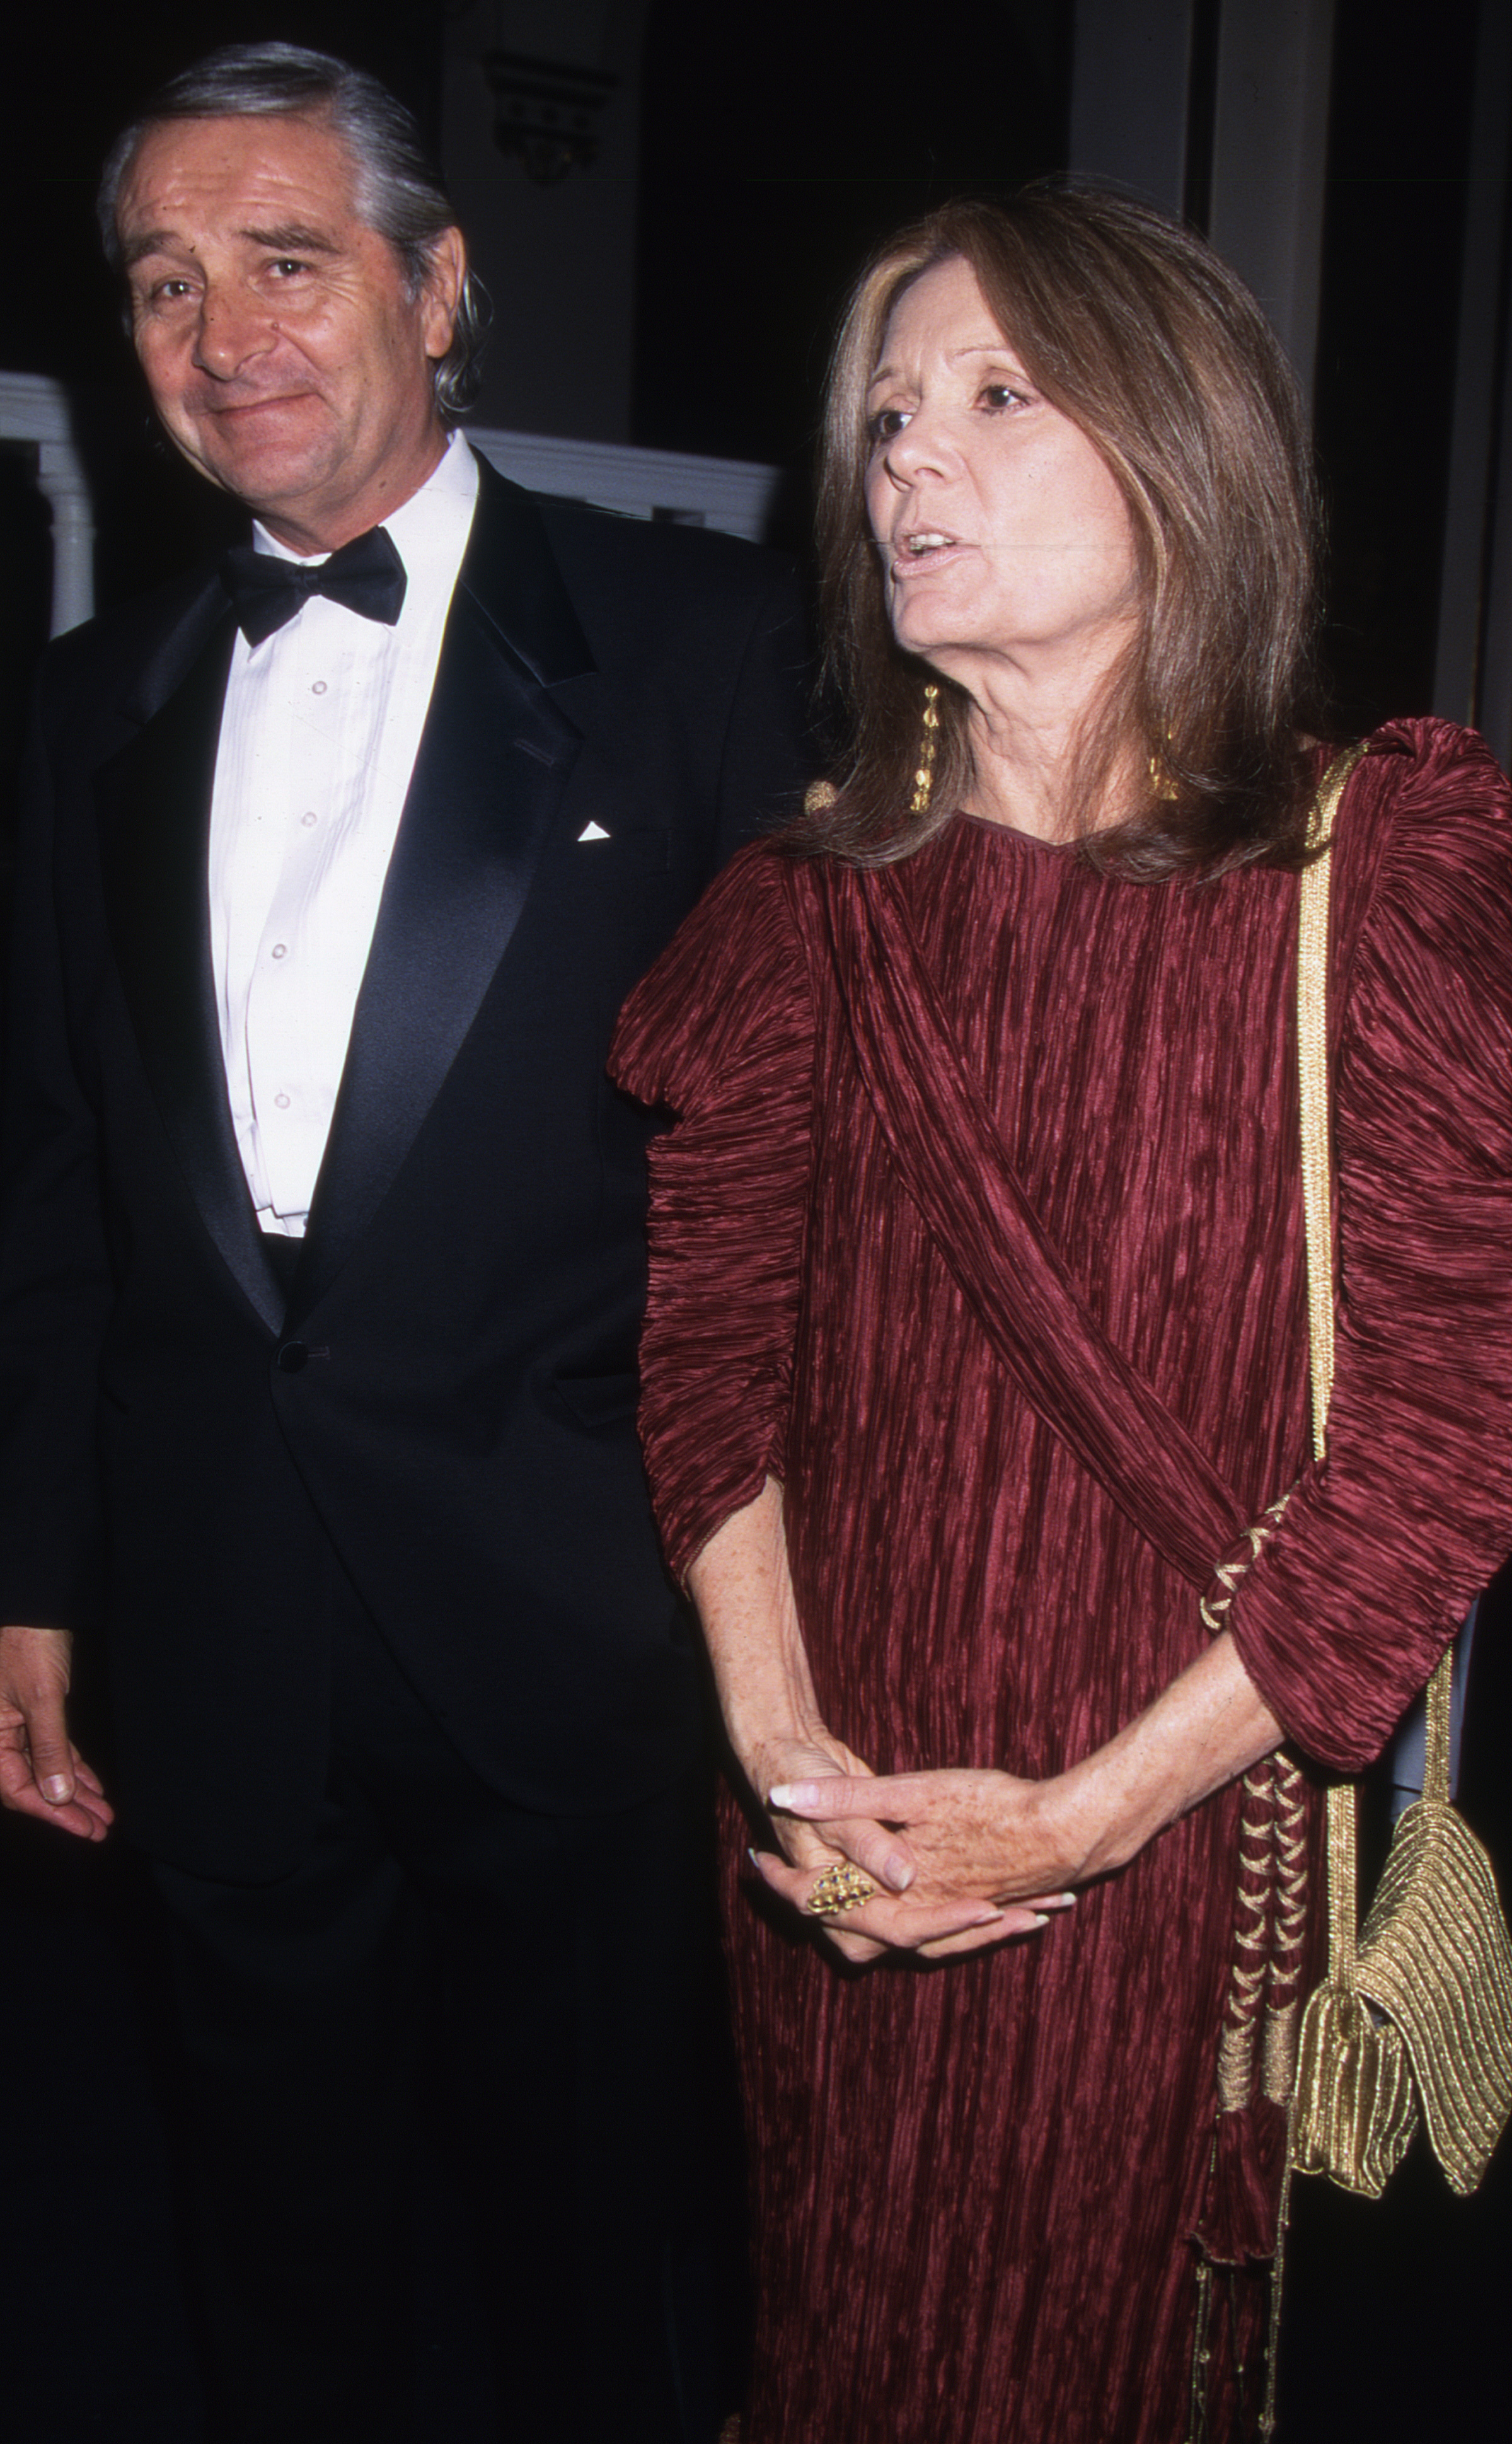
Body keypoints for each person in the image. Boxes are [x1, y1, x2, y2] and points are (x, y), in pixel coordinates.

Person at [609, 190, 1512, 2443]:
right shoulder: (799, 912)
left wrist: (1083, 1821)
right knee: (840, 2352)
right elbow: (712, 1381)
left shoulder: (1372, 882)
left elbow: (1444, 1440)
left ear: (1186, 446)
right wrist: (805, 1777)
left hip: (1176, 1863)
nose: (909, 461)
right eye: (889, 415)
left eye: (999, 397)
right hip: (847, 1866)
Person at [0, 41, 807, 2444]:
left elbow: (821, 1169)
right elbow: (51, 1167)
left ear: (439, 287)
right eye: (164, 281)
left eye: (286, 259)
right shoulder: (80, 706)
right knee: (268, 2245)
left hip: (577, 1615)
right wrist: (31, 1574)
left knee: (596, 2257)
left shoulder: (709, 649)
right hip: (213, 1606)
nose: (223, 330)